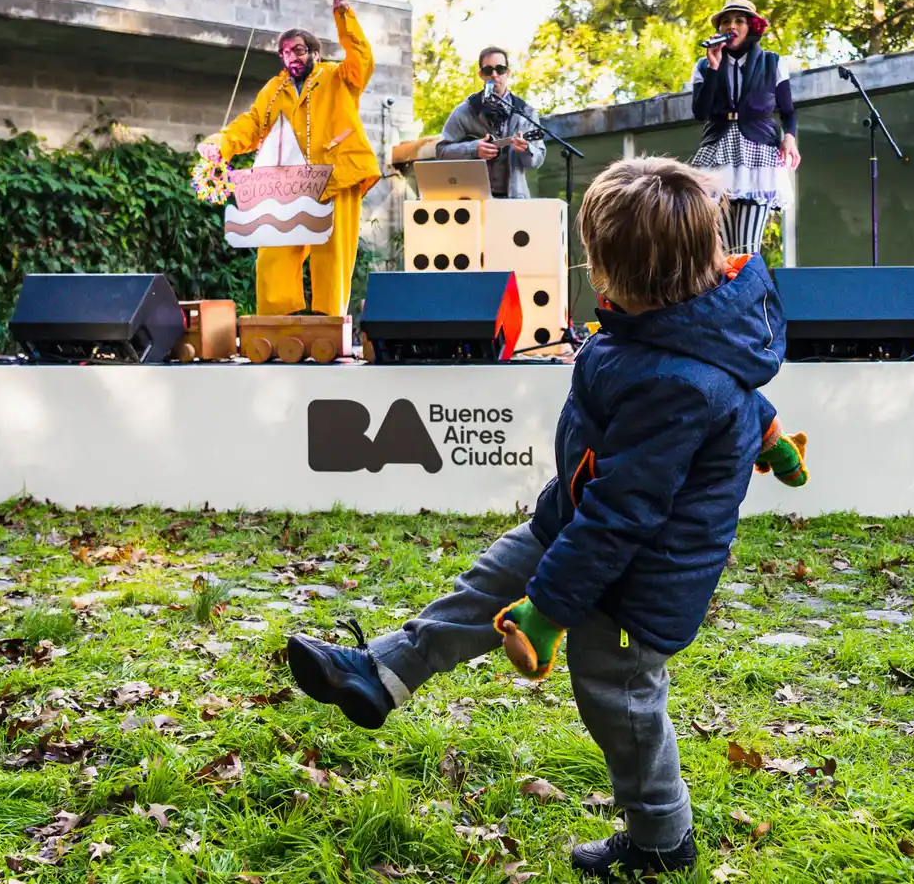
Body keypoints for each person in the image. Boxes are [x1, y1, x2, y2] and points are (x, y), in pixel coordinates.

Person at [283, 157, 810, 882]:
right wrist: (771, 438)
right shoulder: (679, 333)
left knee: (619, 703)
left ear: (617, 273)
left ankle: (661, 835)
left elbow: (625, 515)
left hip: (634, 578)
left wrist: (549, 610)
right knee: (484, 586)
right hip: (573, 525)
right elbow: (740, 399)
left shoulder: (674, 377)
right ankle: (380, 672)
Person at [197, 0, 380, 317]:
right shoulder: (273, 89)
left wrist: (344, 16)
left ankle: (328, 327)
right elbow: (251, 125)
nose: (291, 57)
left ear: (314, 52)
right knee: (273, 255)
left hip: (337, 175)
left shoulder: (337, 76)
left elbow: (363, 60)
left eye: (298, 49)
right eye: (284, 52)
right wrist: (219, 145)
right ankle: (280, 325)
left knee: (332, 258)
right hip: (289, 185)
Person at [690, 0, 801, 257]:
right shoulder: (704, 66)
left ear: (751, 26)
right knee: (727, 251)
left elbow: (787, 111)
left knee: (747, 248)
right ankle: (737, 298)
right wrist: (714, 69)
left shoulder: (773, 62)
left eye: (739, 20)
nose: (732, 26)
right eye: (726, 21)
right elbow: (700, 113)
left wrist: (790, 137)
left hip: (758, 153)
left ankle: (753, 297)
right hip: (718, 152)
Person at [434, 47, 545, 198]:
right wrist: (473, 148)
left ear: (508, 72)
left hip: (513, 201)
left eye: (500, 69)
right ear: (481, 74)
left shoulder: (525, 112)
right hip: (470, 200)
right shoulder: (464, 111)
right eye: (488, 70)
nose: (494, 75)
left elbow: (537, 160)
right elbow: (441, 152)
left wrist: (526, 149)